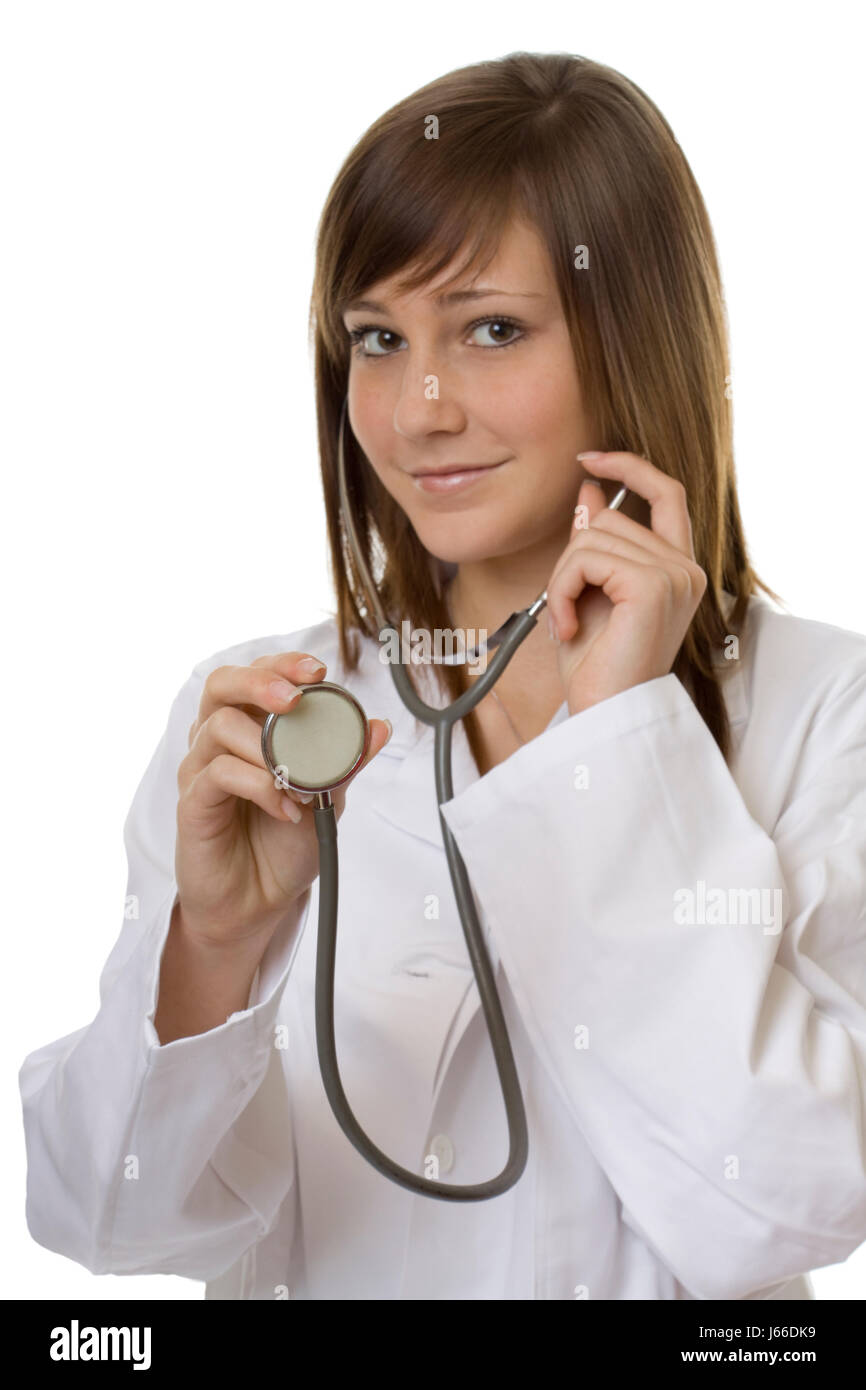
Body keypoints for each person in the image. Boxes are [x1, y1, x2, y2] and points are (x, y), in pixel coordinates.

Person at [19, 51, 866, 1301]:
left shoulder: (817, 711)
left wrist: (622, 741)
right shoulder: (269, 710)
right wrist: (212, 941)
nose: (415, 410)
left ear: (635, 338)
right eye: (375, 337)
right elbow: (107, 1219)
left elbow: (785, 1204)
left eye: (489, 329)